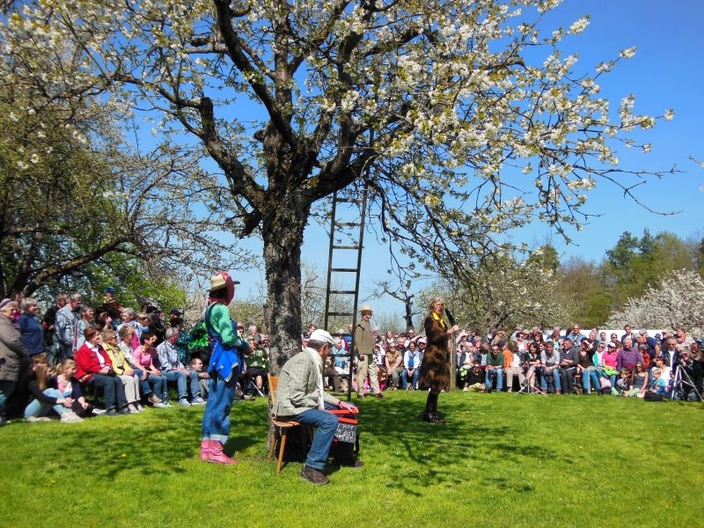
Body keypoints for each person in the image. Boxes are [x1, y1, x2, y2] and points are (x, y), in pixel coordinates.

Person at [272, 329, 362, 485]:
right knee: (329, 420)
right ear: (324, 348)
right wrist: (318, 407)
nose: (329, 354)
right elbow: (296, 396)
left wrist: (340, 403)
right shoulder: (304, 360)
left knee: (350, 409)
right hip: (292, 408)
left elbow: (318, 393)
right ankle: (311, 467)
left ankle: (344, 456)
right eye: (329, 350)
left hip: (302, 404)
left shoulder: (312, 359)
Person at [200, 272, 250, 464]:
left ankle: (206, 447)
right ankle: (216, 450)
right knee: (222, 404)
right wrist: (245, 345)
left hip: (215, 358)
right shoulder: (221, 309)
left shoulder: (209, 308)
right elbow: (229, 338)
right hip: (227, 360)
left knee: (212, 403)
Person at [74, 325, 130, 416]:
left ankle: (122, 406)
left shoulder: (99, 348)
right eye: (97, 335)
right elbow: (86, 366)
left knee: (117, 379)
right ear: (90, 337)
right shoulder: (83, 350)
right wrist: (100, 370)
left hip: (103, 372)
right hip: (88, 375)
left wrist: (107, 366)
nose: (99, 337)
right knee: (109, 381)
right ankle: (110, 408)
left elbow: (108, 359)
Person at [419, 297, 459, 423]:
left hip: (442, 355)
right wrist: (450, 331)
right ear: (432, 306)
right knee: (435, 384)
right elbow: (435, 336)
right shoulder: (430, 320)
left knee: (439, 385)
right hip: (433, 357)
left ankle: (433, 412)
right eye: (438, 304)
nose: (440, 307)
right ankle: (428, 413)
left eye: (442, 304)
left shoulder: (441, 320)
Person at [23, 354, 83, 423]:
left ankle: (69, 413)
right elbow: (42, 397)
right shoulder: (32, 383)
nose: (51, 373)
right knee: (50, 390)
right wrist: (62, 400)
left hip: (42, 411)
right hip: (30, 412)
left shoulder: (47, 382)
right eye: (49, 371)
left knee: (57, 391)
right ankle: (64, 414)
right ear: (43, 372)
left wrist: (65, 400)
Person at [157, 327, 205, 406]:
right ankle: (182, 398)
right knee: (181, 374)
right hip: (165, 371)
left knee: (193, 373)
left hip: (176, 369)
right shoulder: (161, 347)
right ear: (172, 336)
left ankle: (196, 397)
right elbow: (164, 364)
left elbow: (178, 361)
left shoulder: (175, 347)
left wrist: (183, 368)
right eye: (177, 334)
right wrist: (179, 370)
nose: (178, 336)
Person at [0, 299, 30, 426]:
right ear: (2, 310)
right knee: (4, 390)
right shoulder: (2, 323)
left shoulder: (11, 323)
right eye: (11, 309)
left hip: (10, 360)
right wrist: (25, 353)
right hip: (5, 361)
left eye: (16, 309)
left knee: (6, 390)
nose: (14, 312)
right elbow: (12, 341)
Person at [102, 328, 143, 413]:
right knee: (129, 379)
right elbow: (111, 365)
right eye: (115, 338)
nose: (117, 339)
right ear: (109, 340)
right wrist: (123, 372)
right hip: (114, 373)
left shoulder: (117, 348)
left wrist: (129, 370)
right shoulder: (105, 349)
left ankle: (136, 401)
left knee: (135, 376)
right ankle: (130, 403)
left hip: (122, 370)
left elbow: (124, 362)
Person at [354, 305, 382, 399]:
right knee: (362, 372)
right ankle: (360, 392)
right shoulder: (360, 324)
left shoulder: (368, 323)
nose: (370, 314)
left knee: (373, 372)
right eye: (368, 312)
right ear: (364, 313)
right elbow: (358, 339)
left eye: (370, 312)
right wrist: (360, 352)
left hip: (370, 351)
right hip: (363, 352)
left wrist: (373, 349)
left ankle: (377, 391)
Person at [133, 331, 168, 407]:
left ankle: (164, 399)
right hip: (140, 371)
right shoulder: (138, 351)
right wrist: (151, 372)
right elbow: (137, 366)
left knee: (163, 377)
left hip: (147, 370)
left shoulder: (150, 351)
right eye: (152, 339)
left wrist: (155, 370)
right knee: (158, 379)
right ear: (146, 340)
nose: (154, 341)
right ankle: (156, 401)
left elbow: (150, 364)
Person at [54, 292, 82, 363]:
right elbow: (59, 330)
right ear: (71, 300)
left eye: (80, 300)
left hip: (75, 347)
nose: (80, 302)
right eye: (78, 300)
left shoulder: (76, 314)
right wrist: (69, 341)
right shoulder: (62, 312)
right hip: (65, 348)